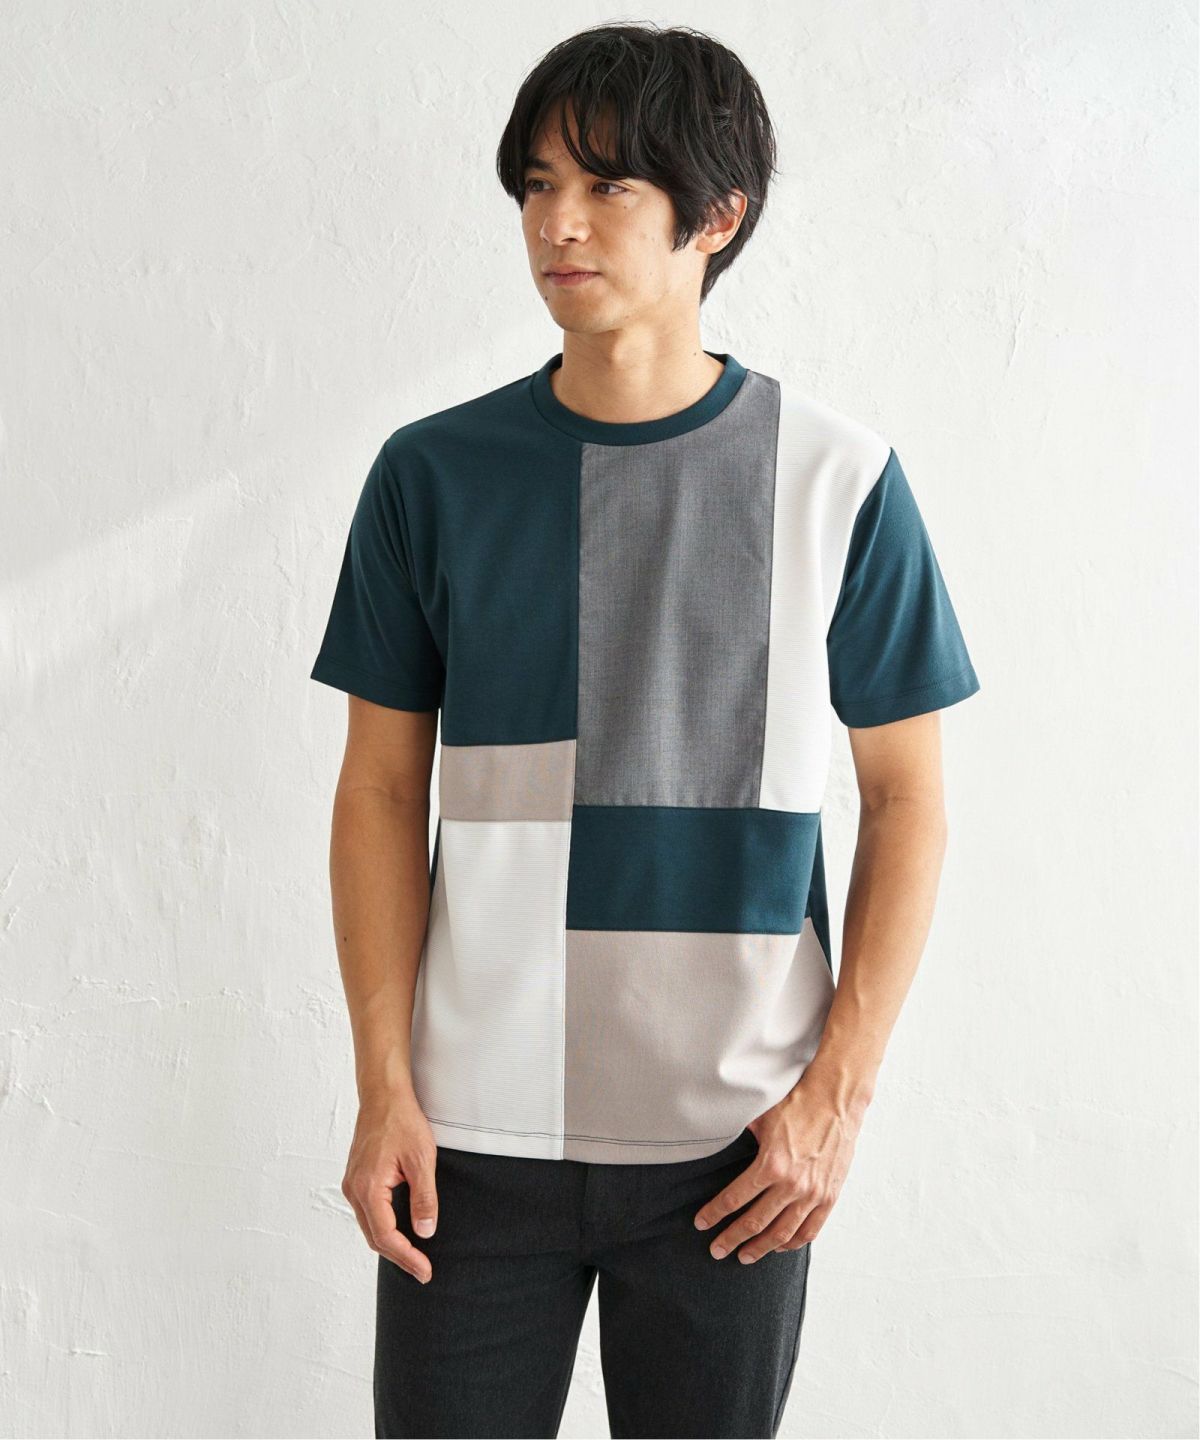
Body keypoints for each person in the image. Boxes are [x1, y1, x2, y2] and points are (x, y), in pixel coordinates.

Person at [309, 21, 981, 1440]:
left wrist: (836, 1099)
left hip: (735, 1153)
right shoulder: (430, 476)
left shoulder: (838, 479)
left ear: (716, 216)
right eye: (537, 186)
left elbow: (909, 800)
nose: (558, 223)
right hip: (466, 1142)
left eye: (608, 186)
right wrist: (382, 1089)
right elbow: (376, 791)